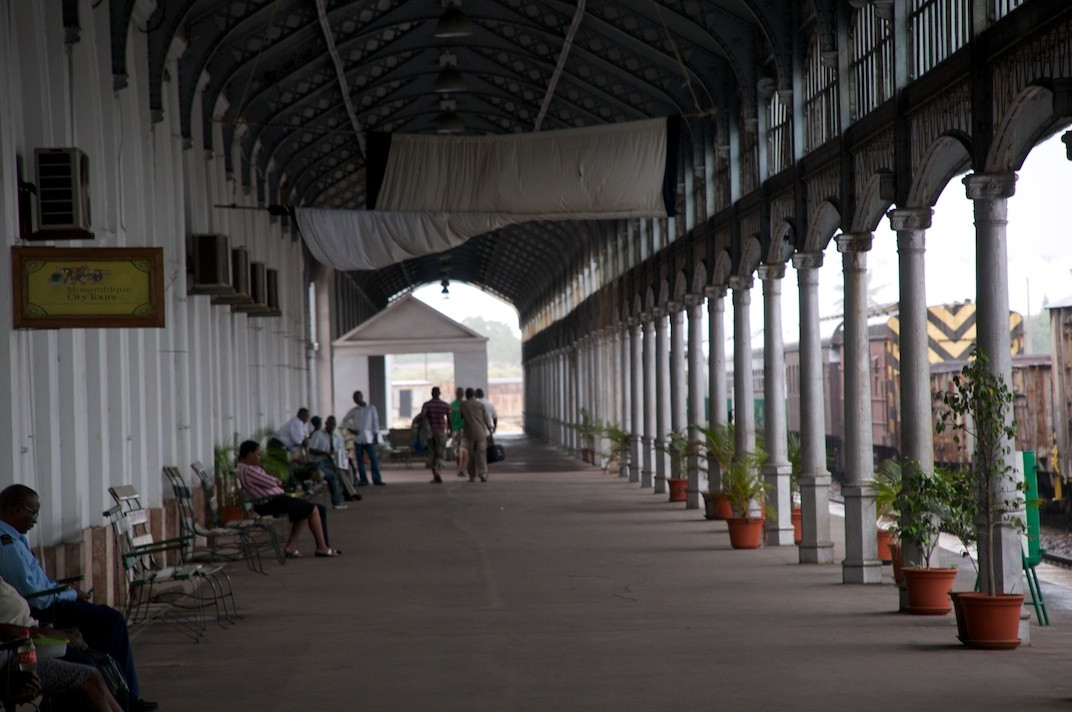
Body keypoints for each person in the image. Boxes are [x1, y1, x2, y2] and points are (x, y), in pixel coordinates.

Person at [0, 485, 157, 711]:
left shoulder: (13, 538)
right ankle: (127, 699)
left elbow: (39, 585)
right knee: (109, 624)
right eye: (33, 513)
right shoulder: (5, 544)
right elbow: (34, 597)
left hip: (34, 622)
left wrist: (66, 592)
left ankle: (126, 696)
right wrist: (69, 595)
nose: (35, 521)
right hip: (42, 614)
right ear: (16, 510)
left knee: (98, 646)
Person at [0, 576, 123, 711]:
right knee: (90, 675)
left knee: (97, 668)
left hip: (22, 648)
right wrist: (49, 635)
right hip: (12, 659)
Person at [236, 441, 341, 558]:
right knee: (312, 509)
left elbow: (268, 480)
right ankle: (322, 548)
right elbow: (270, 481)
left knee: (315, 509)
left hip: (274, 499)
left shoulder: (250, 468)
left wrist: (275, 481)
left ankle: (295, 547)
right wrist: (277, 481)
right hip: (270, 502)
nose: (259, 457)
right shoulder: (247, 470)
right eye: (257, 454)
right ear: (250, 454)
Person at [341, 391, 384, 486]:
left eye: (357, 398)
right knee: (360, 461)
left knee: (373, 459)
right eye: (354, 399)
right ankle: (363, 480)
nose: (356, 401)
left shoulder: (371, 408)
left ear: (361, 397)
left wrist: (376, 435)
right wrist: (351, 429)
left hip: (369, 438)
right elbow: (344, 421)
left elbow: (375, 422)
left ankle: (377, 479)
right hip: (358, 438)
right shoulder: (353, 411)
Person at [307, 416, 349, 509]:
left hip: (334, 461)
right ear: (326, 424)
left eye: (333, 424)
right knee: (332, 476)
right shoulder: (318, 434)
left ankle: (349, 494)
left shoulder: (337, 436)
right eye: (329, 424)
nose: (331, 426)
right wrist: (325, 453)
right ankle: (337, 502)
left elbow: (341, 449)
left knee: (345, 471)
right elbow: (311, 450)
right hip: (320, 462)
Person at [419, 387, 452, 483]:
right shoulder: (445, 405)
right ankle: (439, 473)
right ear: (439, 393)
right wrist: (450, 431)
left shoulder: (427, 405)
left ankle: (435, 475)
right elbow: (449, 419)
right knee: (440, 453)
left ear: (431, 393)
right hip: (441, 432)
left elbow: (422, 416)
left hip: (429, 433)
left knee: (431, 453)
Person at [459, 388, 492, 482]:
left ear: (466, 395)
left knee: (471, 455)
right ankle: (483, 474)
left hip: (469, 434)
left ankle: (472, 476)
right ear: (474, 395)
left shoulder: (463, 405)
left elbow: (461, 416)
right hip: (481, 433)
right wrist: (490, 428)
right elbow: (486, 418)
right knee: (481, 454)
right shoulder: (480, 405)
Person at [449, 387, 469, 478]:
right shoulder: (466, 404)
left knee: (456, 450)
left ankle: (459, 468)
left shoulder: (452, 405)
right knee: (464, 449)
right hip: (464, 430)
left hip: (455, 430)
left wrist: (448, 430)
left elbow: (448, 419)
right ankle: (462, 468)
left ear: (456, 394)